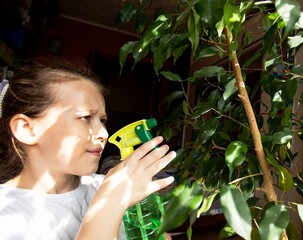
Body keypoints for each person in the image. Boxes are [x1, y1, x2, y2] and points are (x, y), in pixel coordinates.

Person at [0, 60, 176, 240]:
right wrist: (109, 202)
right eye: (85, 117)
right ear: (27, 129)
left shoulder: (104, 185)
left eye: (102, 121)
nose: (104, 133)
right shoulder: (7, 216)